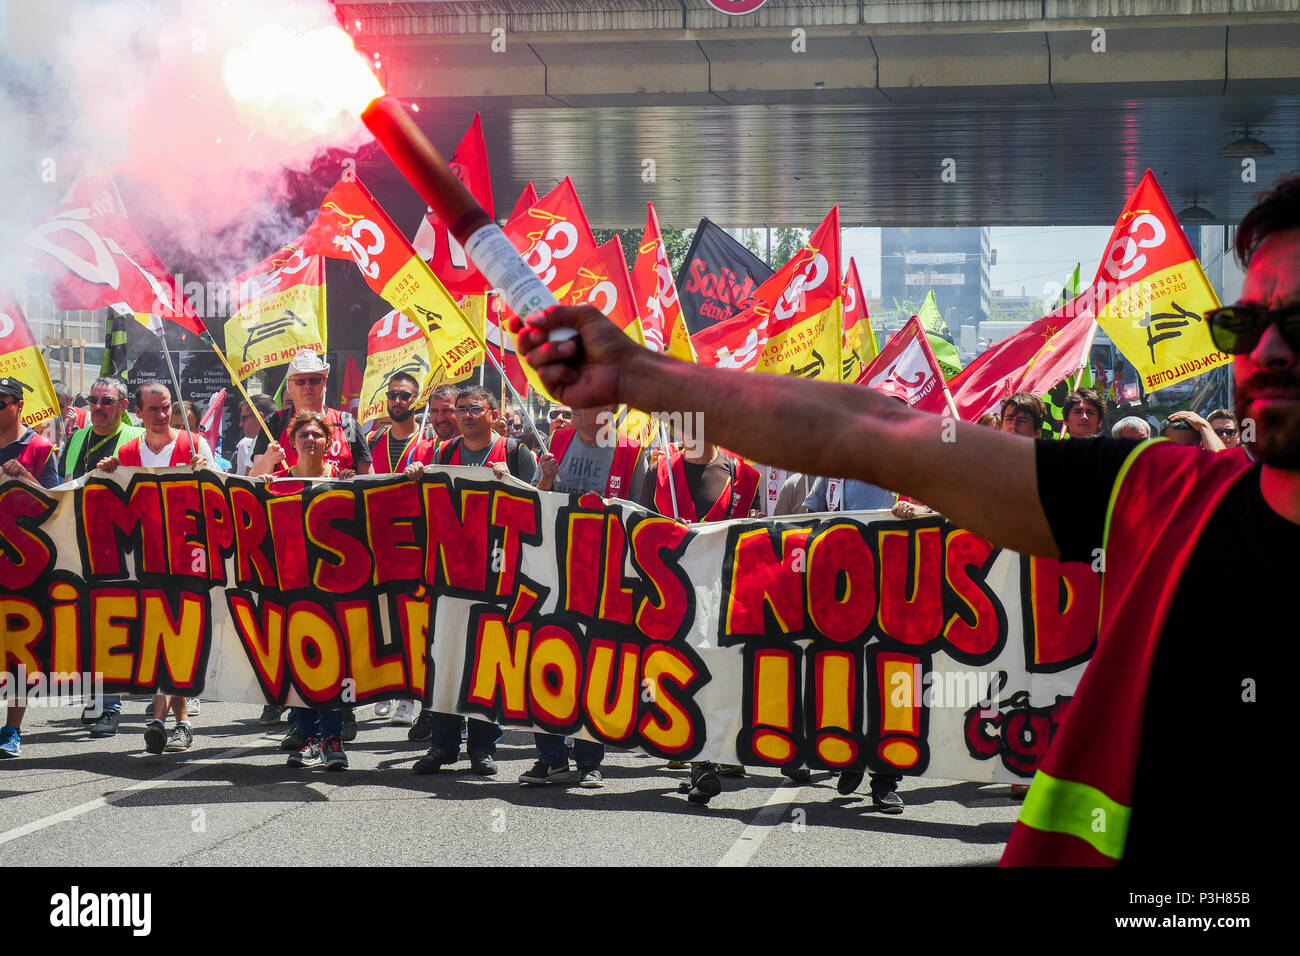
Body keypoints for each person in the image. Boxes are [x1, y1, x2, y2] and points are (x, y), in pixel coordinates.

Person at [509, 172, 1298, 866]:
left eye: (1294, 321)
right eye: (1244, 325)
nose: (1264, 351)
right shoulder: (1160, 496)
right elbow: (880, 432)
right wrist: (639, 375)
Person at [405, 385, 540, 776]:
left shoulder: (515, 453)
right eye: (460, 408)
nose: (464, 415)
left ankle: (482, 748)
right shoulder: (442, 452)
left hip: (498, 575)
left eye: (474, 408)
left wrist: (512, 481)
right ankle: (442, 746)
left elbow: (537, 505)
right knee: (445, 661)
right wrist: (416, 475)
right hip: (450, 574)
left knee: (487, 663)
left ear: (492, 412)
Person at [519, 404, 649, 788]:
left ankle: (590, 761)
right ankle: (550, 758)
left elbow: (641, 516)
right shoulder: (557, 439)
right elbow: (536, 501)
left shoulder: (630, 451)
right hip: (552, 568)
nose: (574, 404)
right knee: (547, 659)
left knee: (593, 667)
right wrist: (544, 478)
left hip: (603, 575)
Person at [97, 381, 214, 750]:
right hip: (143, 564)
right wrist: (107, 472)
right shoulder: (129, 451)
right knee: (157, 641)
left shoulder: (193, 445)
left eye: (167, 407)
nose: (162, 415)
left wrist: (205, 470)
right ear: (139, 412)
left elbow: (217, 495)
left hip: (186, 562)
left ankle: (171, 720)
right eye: (154, 409)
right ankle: (167, 721)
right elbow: (110, 500)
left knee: (177, 641)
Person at [264, 411, 357, 770]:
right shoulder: (278, 481)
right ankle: (308, 738)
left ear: (329, 441)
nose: (310, 440)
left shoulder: (343, 479)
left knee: (331, 666)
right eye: (304, 434)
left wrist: (354, 485)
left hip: (337, 589)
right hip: (291, 587)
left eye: (318, 434)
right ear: (292, 441)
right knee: (299, 666)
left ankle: (333, 740)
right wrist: (262, 481)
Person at [54, 377, 143, 737]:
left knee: (112, 627)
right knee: (86, 627)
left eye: (106, 401)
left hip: (119, 550)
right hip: (78, 544)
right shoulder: (75, 438)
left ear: (123, 406)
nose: (98, 407)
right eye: (93, 400)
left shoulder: (133, 442)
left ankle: (111, 706)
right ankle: (95, 699)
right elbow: (61, 486)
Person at [368, 371, 439, 726]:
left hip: (416, 544)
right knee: (382, 620)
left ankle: (411, 696)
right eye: (393, 395)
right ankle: (387, 686)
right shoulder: (373, 438)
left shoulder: (430, 443)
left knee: (413, 620)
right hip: (377, 542)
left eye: (405, 396)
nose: (398, 402)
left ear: (416, 401)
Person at [0, 377, 61, 759]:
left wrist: (24, 476)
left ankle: (12, 728)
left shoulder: (40, 448)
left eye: (0, 401)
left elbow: (56, 506)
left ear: (18, 405)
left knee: (18, 647)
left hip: (23, 562)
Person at [250, 350, 373, 478]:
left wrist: (352, 478)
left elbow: (369, 482)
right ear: (289, 386)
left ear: (324, 384)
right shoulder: (275, 422)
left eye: (314, 380)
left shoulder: (346, 422)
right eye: (300, 381)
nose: (307, 386)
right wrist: (268, 460)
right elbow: (254, 481)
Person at [235, 393, 277, 477]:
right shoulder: (255, 440)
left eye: (244, 418)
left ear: (259, 417)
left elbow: (249, 482)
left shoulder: (281, 439)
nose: (240, 424)